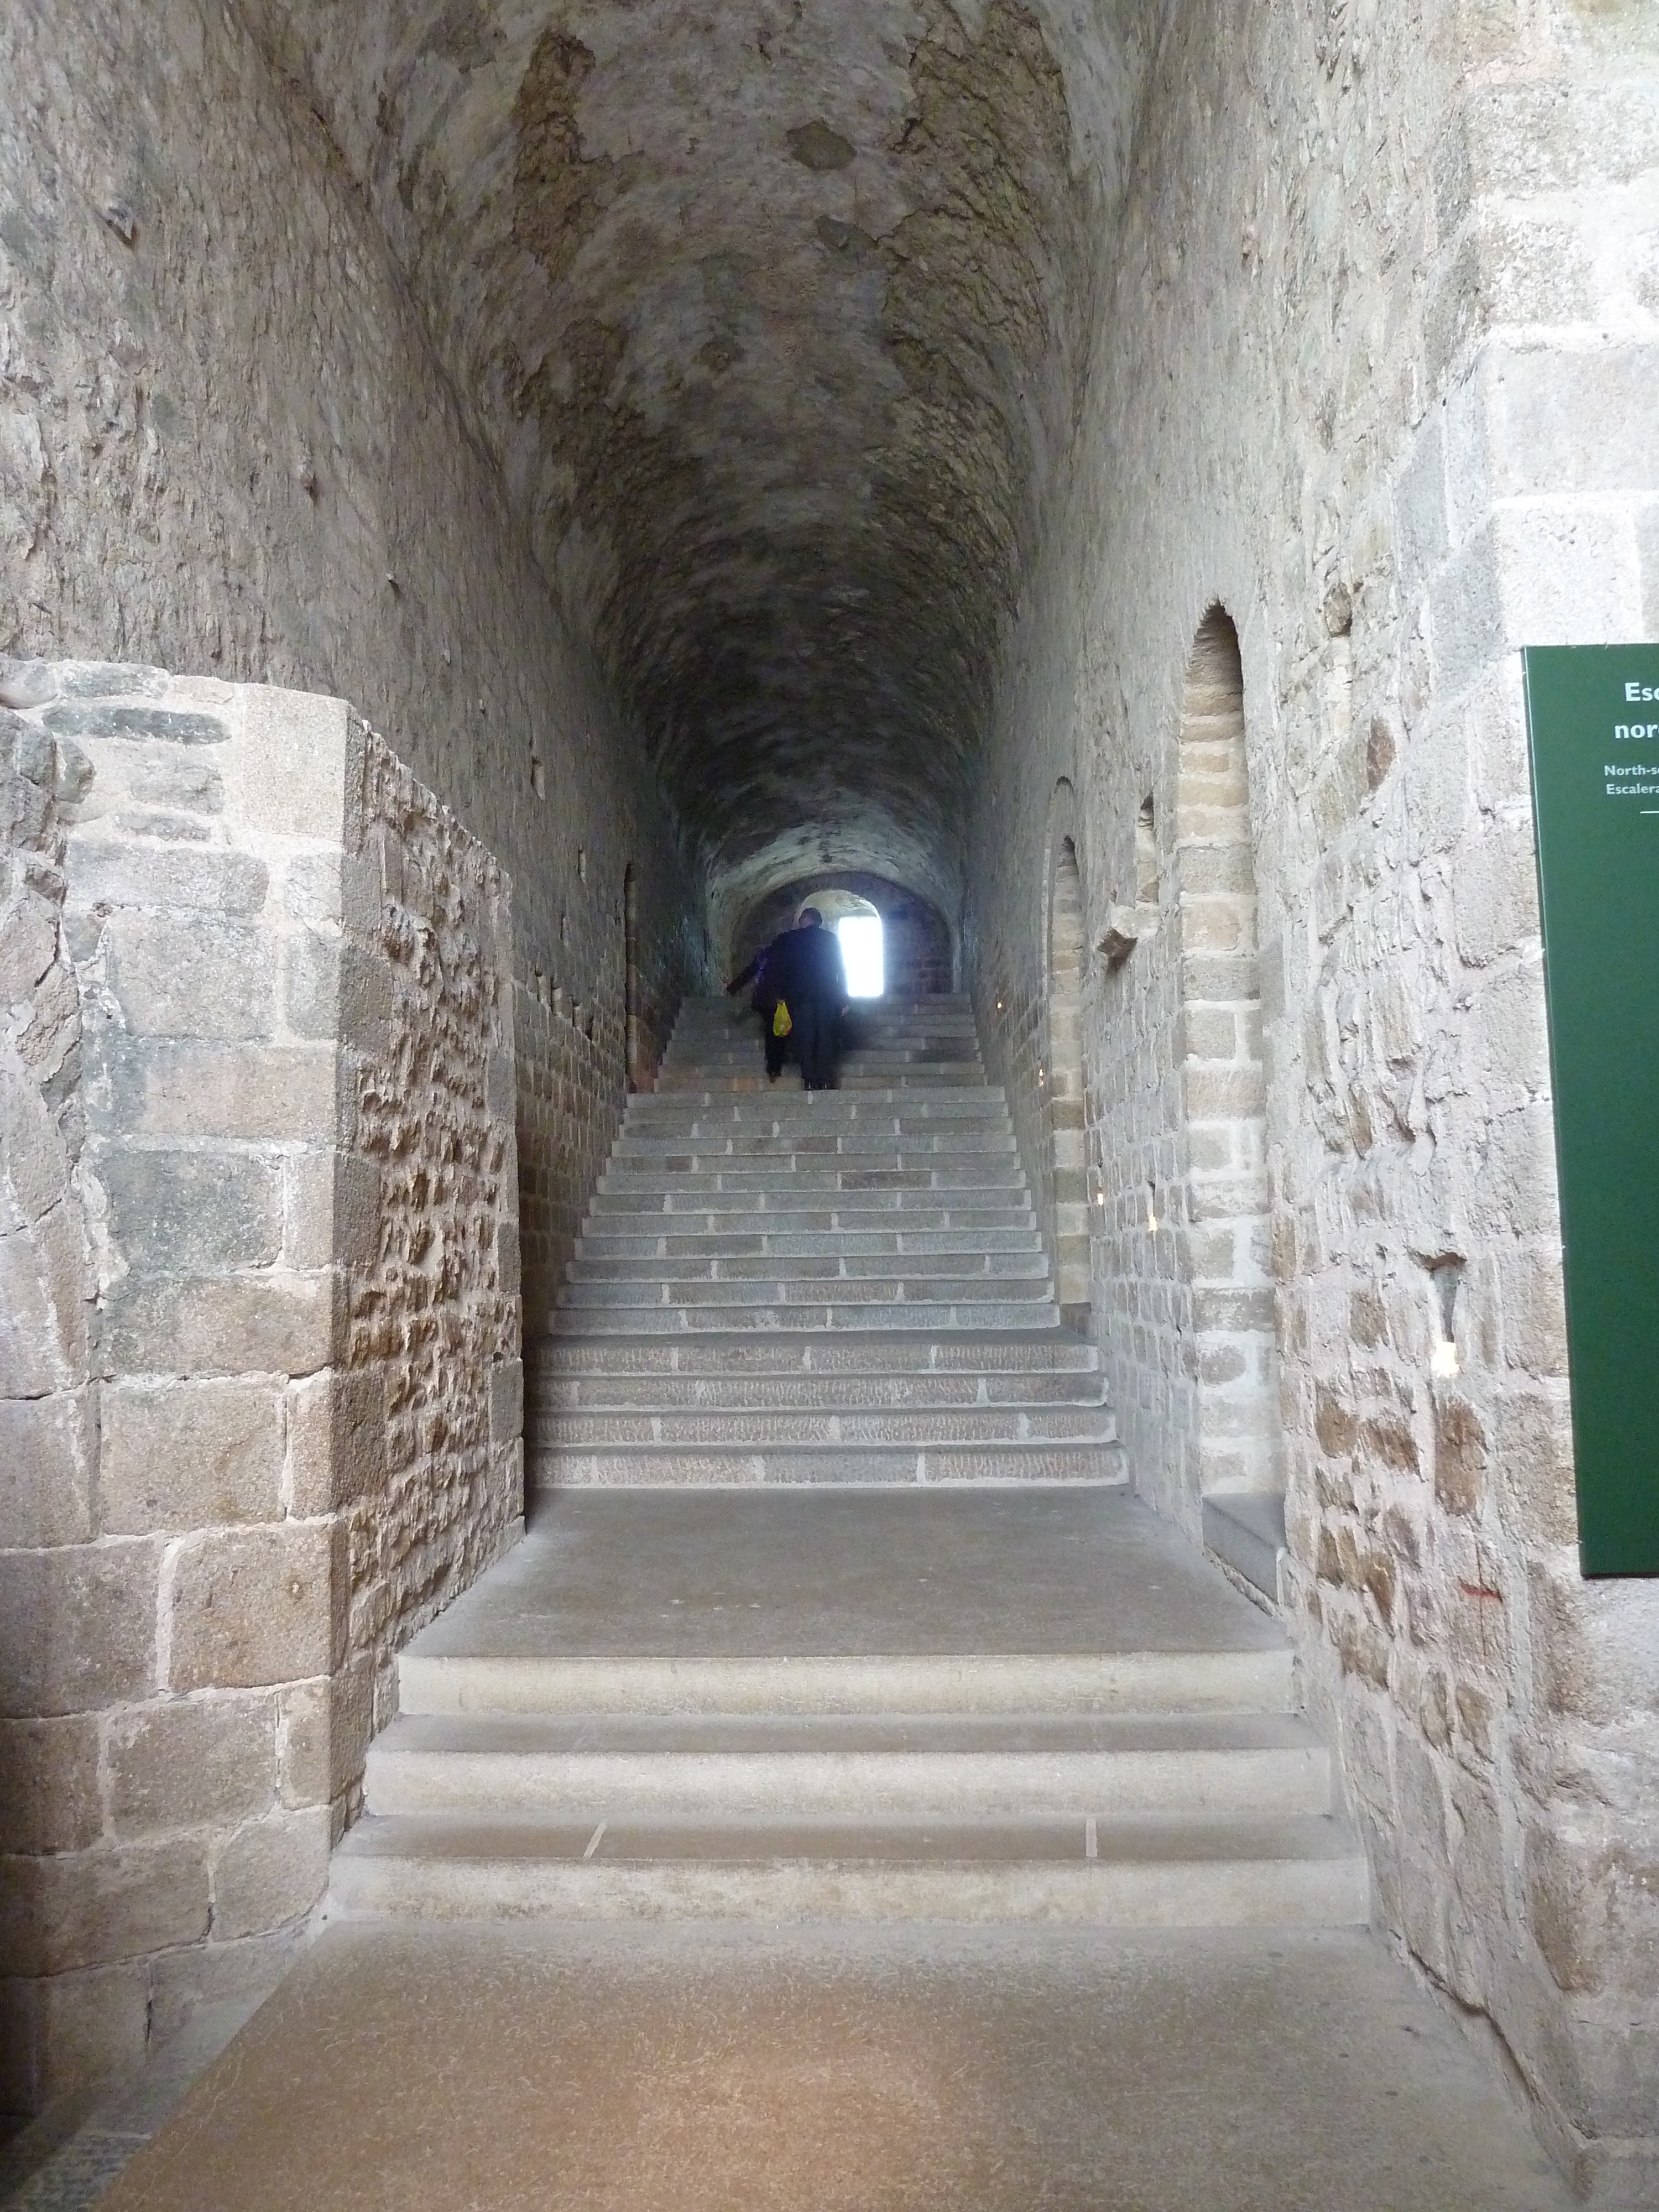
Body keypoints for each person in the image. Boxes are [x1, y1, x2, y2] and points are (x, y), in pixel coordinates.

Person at [762, 907, 848, 1090]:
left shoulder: (790, 940)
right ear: (819, 922)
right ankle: (825, 1079)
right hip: (827, 996)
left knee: (805, 1038)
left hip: (800, 997)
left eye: (801, 918)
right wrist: (844, 999)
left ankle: (809, 1079)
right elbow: (840, 969)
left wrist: (779, 995)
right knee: (825, 1038)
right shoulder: (830, 939)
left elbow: (781, 969)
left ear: (805, 920)